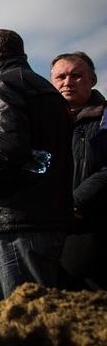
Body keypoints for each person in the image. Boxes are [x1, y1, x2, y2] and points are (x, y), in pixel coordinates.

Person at [0, 29, 74, 296]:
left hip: (14, 220)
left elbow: (4, 149)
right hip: (45, 217)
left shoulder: (5, 85)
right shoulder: (45, 89)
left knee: (23, 313)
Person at [49, 52, 105, 289]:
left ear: (92, 79)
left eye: (76, 76)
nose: (67, 82)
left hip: (96, 226)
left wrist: (76, 201)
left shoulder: (104, 118)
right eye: (60, 77)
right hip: (54, 231)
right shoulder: (45, 123)